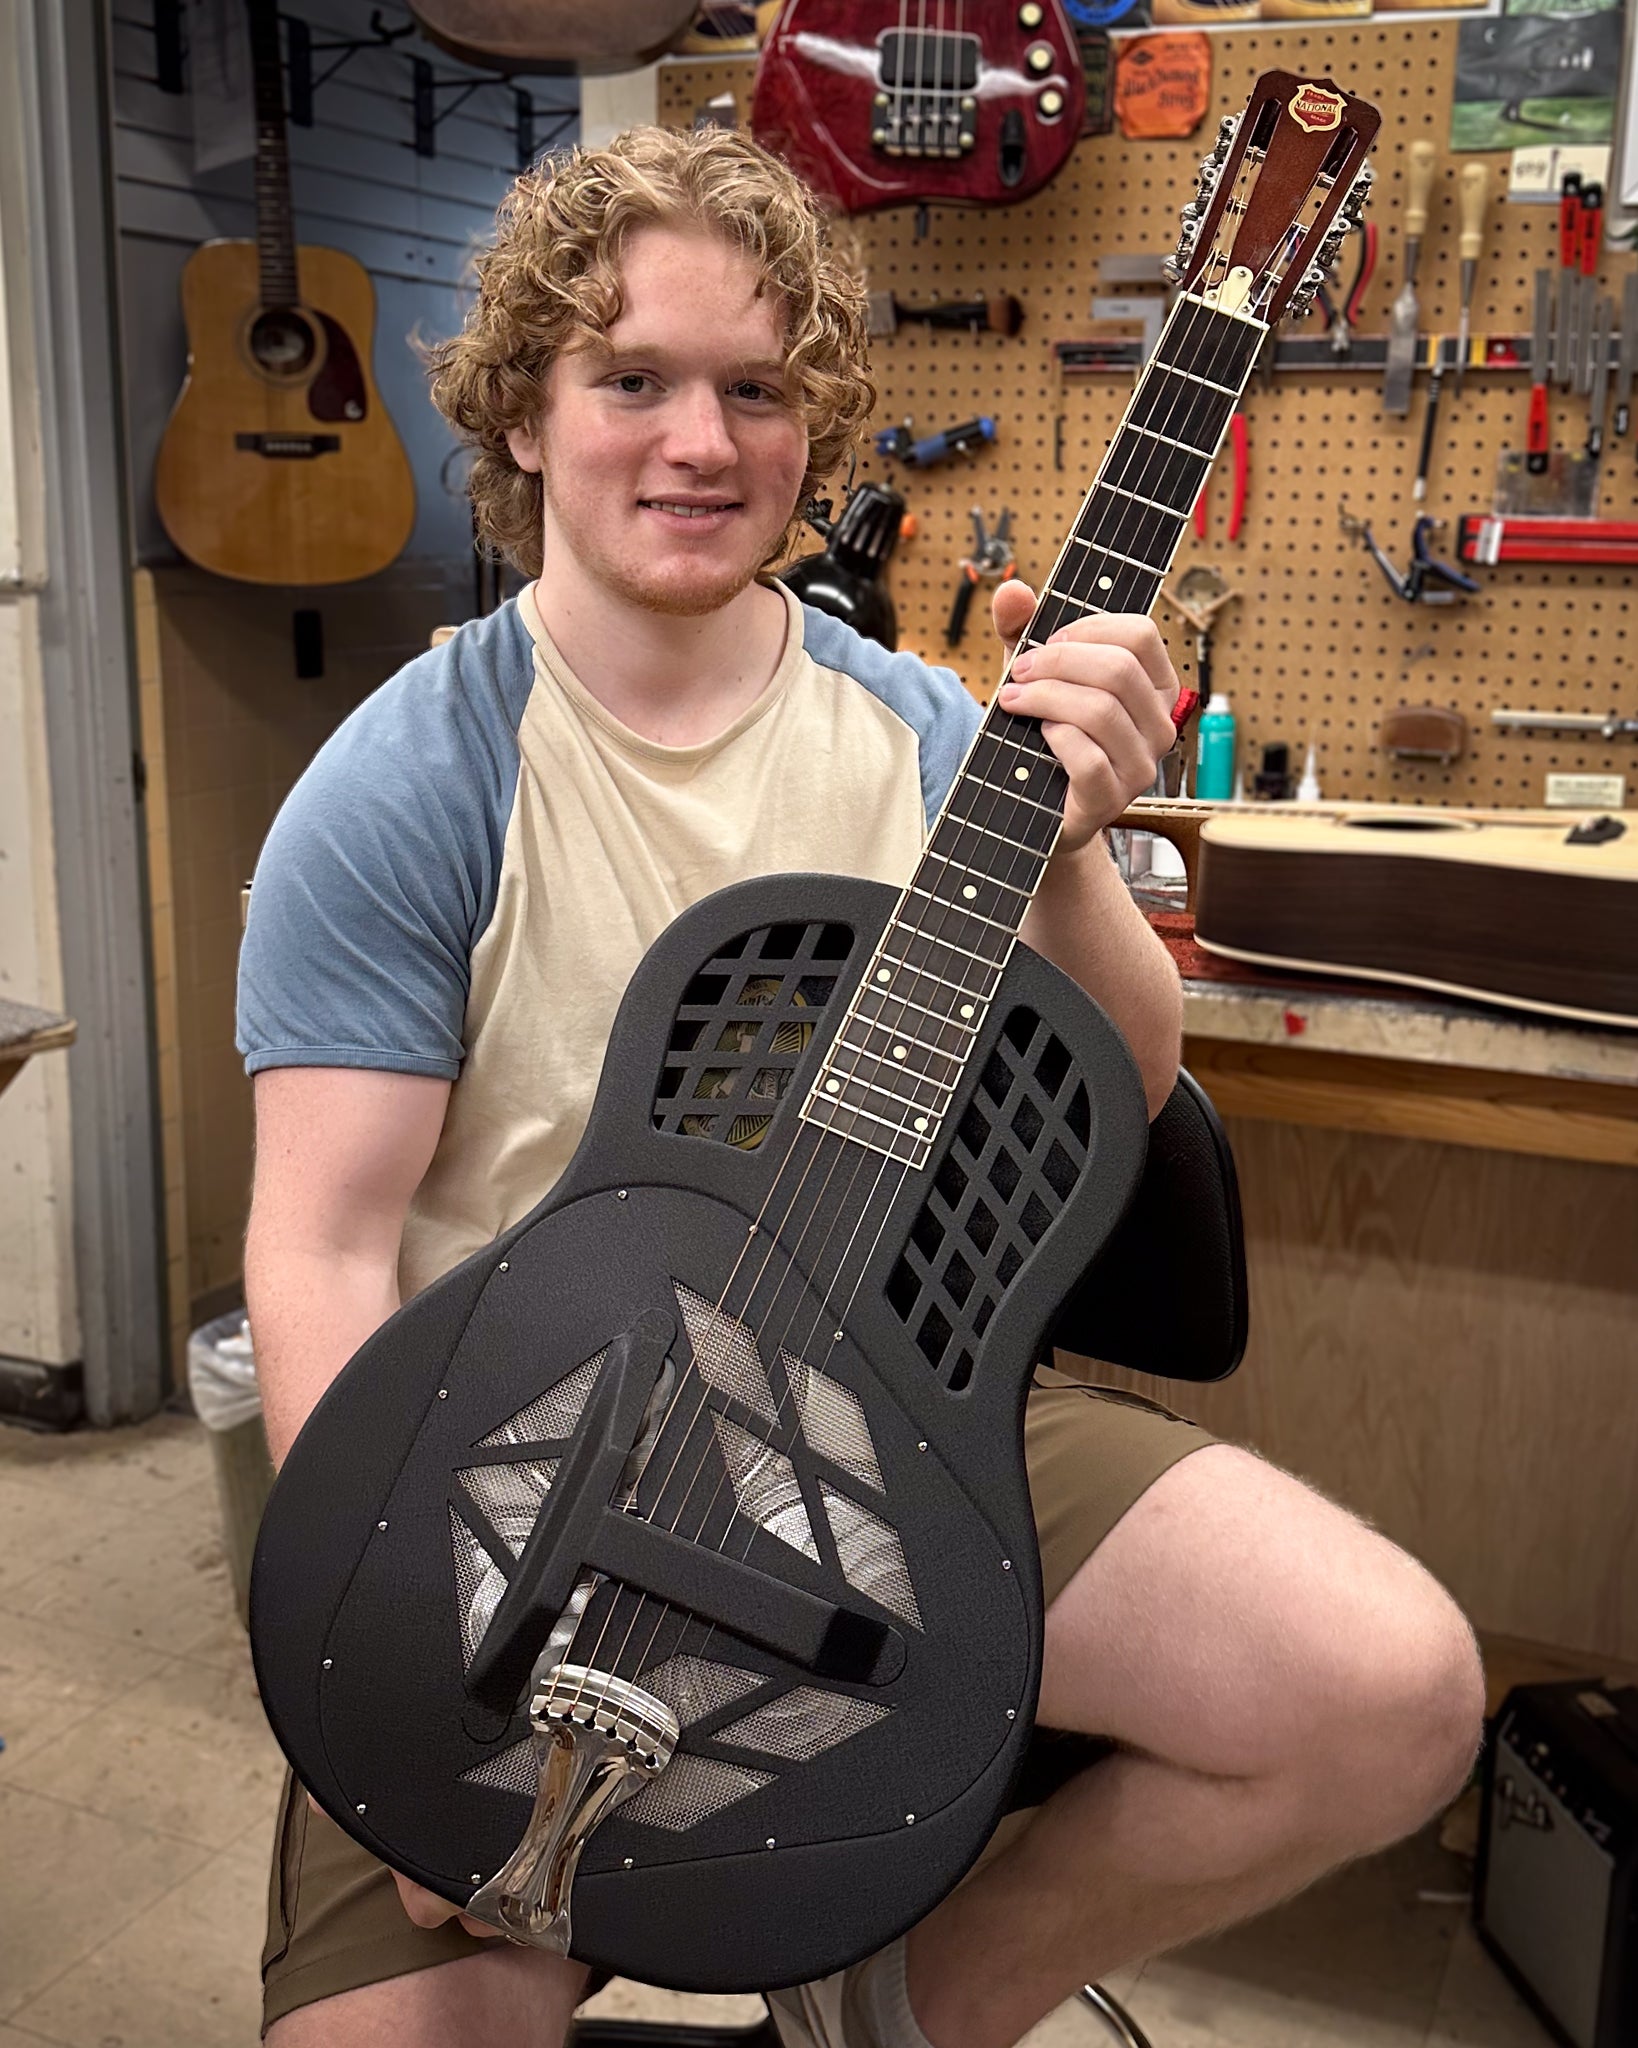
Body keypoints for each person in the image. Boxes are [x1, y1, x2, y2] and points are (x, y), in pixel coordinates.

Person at [238, 124, 1485, 2048]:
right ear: (522, 417)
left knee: (1385, 1688)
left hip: (892, 1409)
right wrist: (405, 1672)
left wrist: (1071, 841)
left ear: (816, 431)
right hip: (509, 1461)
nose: (696, 442)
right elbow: (318, 1252)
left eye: (754, 389)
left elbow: (1122, 1091)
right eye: (631, 378)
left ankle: (883, 2007)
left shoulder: (917, 732)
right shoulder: (414, 778)